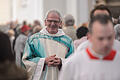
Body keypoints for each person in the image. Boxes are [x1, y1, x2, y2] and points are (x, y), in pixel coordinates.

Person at [59, 14, 120, 80]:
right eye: (100, 38)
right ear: (89, 36)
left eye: (109, 38)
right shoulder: (73, 64)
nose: (105, 43)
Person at [22, 10, 74, 80]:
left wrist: (62, 62)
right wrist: (43, 61)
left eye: (55, 21)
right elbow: (25, 61)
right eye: (50, 21)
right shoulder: (34, 40)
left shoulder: (68, 41)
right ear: (45, 22)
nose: (52, 24)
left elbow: (74, 62)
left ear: (60, 23)